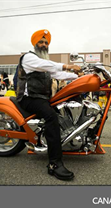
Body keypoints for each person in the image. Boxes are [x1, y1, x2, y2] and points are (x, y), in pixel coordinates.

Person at [17, 29, 81, 181]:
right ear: (35, 44)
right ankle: (54, 163)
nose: (44, 44)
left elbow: (57, 74)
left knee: (61, 110)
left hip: (42, 98)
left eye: (46, 42)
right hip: (29, 98)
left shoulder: (44, 64)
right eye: (41, 42)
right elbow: (47, 65)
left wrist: (78, 76)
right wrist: (68, 66)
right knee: (51, 117)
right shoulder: (29, 58)